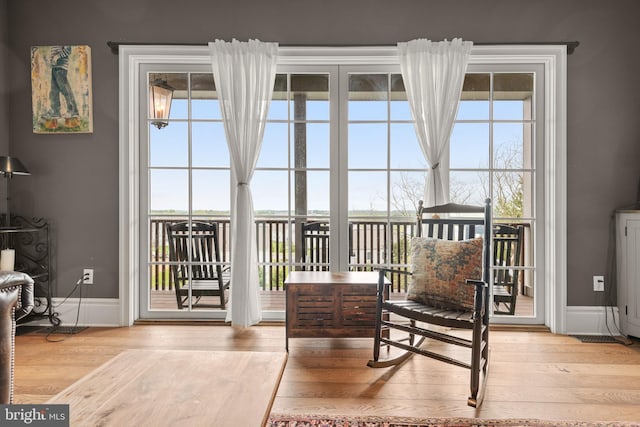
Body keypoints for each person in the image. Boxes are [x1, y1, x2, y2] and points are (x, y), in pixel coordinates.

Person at [48, 46, 79, 118]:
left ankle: (73, 111)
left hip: (61, 68)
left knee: (65, 90)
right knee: (54, 91)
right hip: (54, 67)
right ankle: (56, 112)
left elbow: (68, 50)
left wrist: (57, 57)